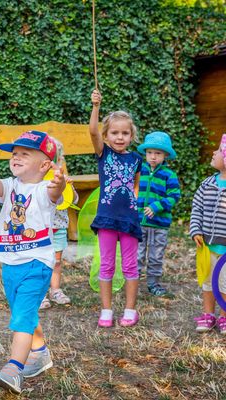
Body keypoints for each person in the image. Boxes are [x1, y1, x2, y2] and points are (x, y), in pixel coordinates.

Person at [0, 130, 65, 394]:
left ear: (44, 165)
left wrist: (60, 183)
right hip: (11, 264)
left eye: (24, 155)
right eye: (14, 154)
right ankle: (39, 353)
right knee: (22, 313)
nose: (15, 158)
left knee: (22, 317)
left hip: (36, 263)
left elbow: (56, 193)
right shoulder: (10, 185)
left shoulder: (44, 189)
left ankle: (13, 369)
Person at [89, 89, 142, 328]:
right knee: (107, 264)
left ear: (131, 135)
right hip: (107, 219)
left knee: (130, 265)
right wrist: (96, 107)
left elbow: (136, 185)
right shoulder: (104, 153)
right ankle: (107, 310)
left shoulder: (136, 159)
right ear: (107, 135)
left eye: (125, 133)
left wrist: (134, 205)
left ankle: (130, 309)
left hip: (129, 220)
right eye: (114, 132)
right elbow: (92, 131)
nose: (120, 137)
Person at [136, 131, 181, 296]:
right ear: (145, 153)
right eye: (149, 153)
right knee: (137, 254)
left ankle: (153, 284)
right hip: (139, 222)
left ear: (166, 155)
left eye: (158, 153)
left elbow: (174, 196)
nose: (153, 157)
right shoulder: (139, 171)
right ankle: (133, 283)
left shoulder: (169, 175)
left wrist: (156, 206)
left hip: (159, 224)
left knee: (155, 255)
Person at [190, 134, 226, 334]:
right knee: (207, 281)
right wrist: (196, 229)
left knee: (224, 284)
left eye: (219, 150)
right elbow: (197, 209)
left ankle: (224, 317)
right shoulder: (207, 184)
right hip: (208, 247)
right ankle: (208, 314)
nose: (214, 152)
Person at [40, 139, 79, 309]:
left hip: (59, 226)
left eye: (55, 160)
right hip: (40, 228)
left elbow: (73, 200)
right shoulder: (35, 180)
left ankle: (55, 290)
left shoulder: (63, 180)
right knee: (40, 262)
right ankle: (39, 294)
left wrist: (68, 187)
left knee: (56, 261)